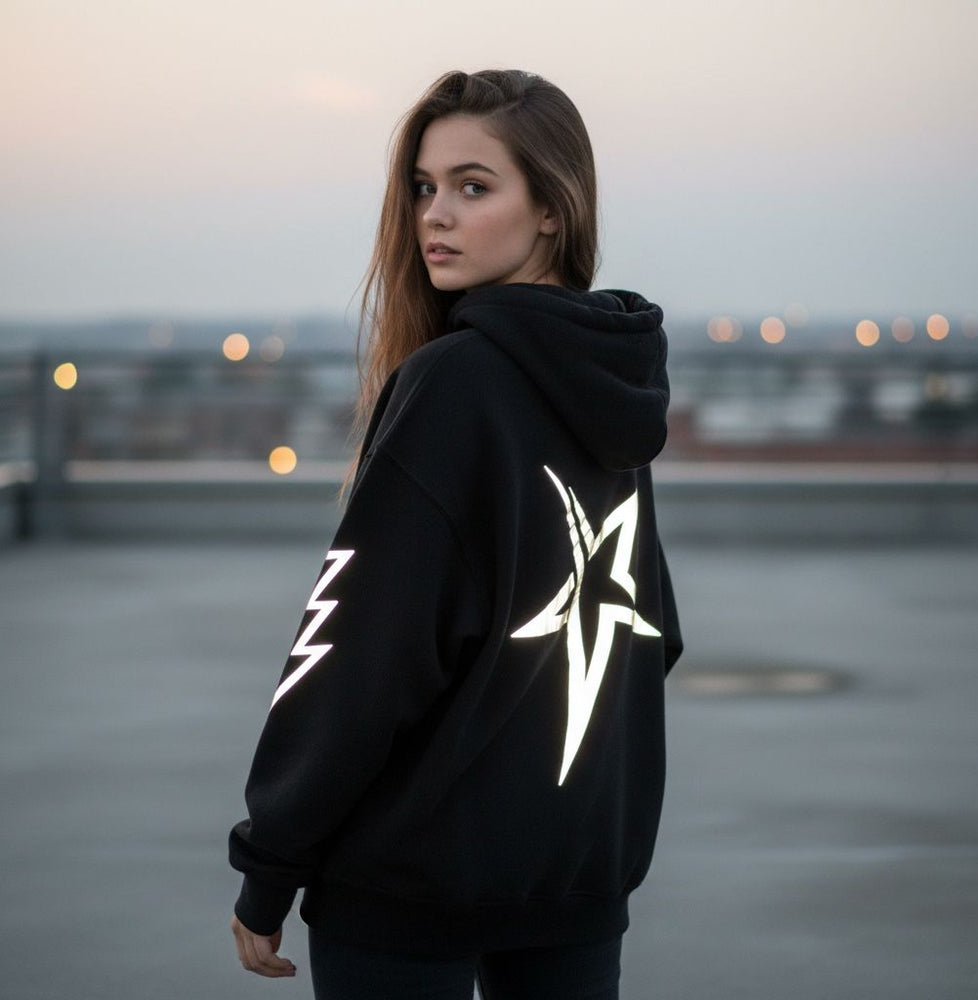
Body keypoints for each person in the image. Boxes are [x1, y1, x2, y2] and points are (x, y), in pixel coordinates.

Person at [229, 68, 683, 999]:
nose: (434, 215)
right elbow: (649, 635)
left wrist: (270, 860)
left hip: (412, 883)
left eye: (474, 187)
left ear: (552, 207)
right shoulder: (611, 380)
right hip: (577, 873)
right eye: (425, 188)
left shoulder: (455, 383)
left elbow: (358, 656)